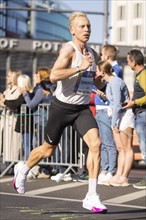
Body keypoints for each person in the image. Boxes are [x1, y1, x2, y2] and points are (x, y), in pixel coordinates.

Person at [12, 11, 107, 213]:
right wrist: (79, 68)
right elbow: (54, 76)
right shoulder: (68, 49)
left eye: (89, 26)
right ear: (72, 30)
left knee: (96, 144)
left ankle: (92, 195)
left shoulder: (93, 53)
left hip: (81, 108)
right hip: (61, 108)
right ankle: (24, 168)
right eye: (82, 26)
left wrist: (98, 84)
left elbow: (87, 80)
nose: (87, 29)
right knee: (48, 150)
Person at [98, 60, 135, 187]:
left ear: (102, 72)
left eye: (97, 71)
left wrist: (113, 124)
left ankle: (124, 177)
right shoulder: (110, 83)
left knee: (126, 147)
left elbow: (118, 104)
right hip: (119, 115)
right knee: (120, 148)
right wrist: (104, 96)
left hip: (124, 115)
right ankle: (118, 175)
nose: (96, 74)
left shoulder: (115, 82)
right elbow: (114, 101)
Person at [93, 45, 122, 185]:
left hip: (106, 108)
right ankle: (104, 169)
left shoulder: (114, 69)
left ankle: (111, 170)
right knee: (103, 142)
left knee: (108, 142)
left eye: (102, 54)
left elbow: (109, 86)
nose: (100, 57)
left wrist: (99, 84)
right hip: (100, 108)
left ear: (107, 56)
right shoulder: (109, 69)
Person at [21, 67, 56, 179]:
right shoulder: (47, 87)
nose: (34, 77)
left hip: (42, 121)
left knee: (42, 146)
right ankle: (47, 168)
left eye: (36, 75)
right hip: (45, 120)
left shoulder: (41, 90)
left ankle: (46, 169)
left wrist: (25, 93)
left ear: (41, 76)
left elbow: (32, 105)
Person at [123, 49, 146, 189]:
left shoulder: (143, 75)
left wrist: (134, 103)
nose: (127, 62)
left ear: (134, 61)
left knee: (144, 147)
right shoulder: (140, 75)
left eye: (128, 60)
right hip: (141, 114)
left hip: (143, 115)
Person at [1, 74, 34, 160]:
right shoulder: (25, 94)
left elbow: (15, 104)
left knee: (27, 145)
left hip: (27, 124)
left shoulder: (27, 94)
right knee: (25, 144)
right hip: (24, 124)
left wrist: (4, 100)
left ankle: (29, 165)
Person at [0, 70, 22, 162]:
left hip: (12, 120)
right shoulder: (7, 90)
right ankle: (7, 162)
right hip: (5, 119)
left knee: (13, 144)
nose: (6, 78)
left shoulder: (18, 90)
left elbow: (13, 104)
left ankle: (13, 163)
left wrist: (3, 101)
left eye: (8, 76)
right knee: (5, 143)